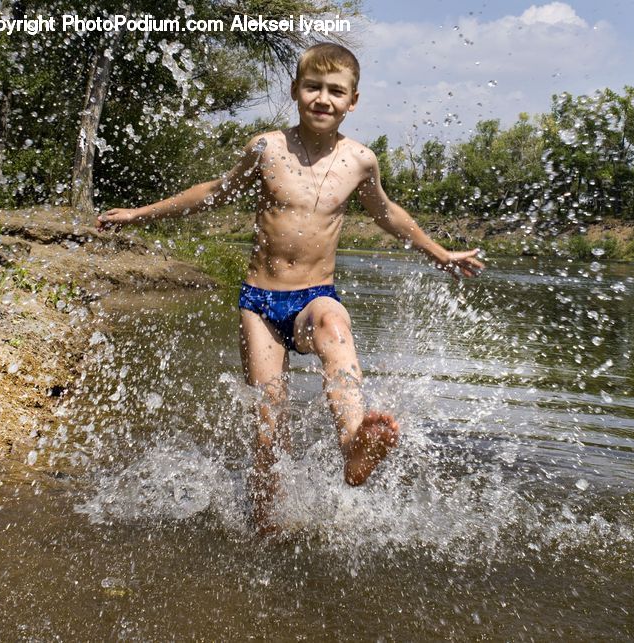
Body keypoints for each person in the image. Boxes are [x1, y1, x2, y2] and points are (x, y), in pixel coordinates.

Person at [97, 42, 485, 532]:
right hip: (259, 303)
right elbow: (213, 193)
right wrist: (139, 214)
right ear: (296, 91)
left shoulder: (360, 161)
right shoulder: (267, 148)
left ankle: (352, 444)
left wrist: (440, 253)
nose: (323, 99)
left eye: (336, 92)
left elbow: (388, 214)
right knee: (268, 425)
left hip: (312, 296)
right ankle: (265, 523)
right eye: (313, 88)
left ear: (353, 101)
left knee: (334, 322)